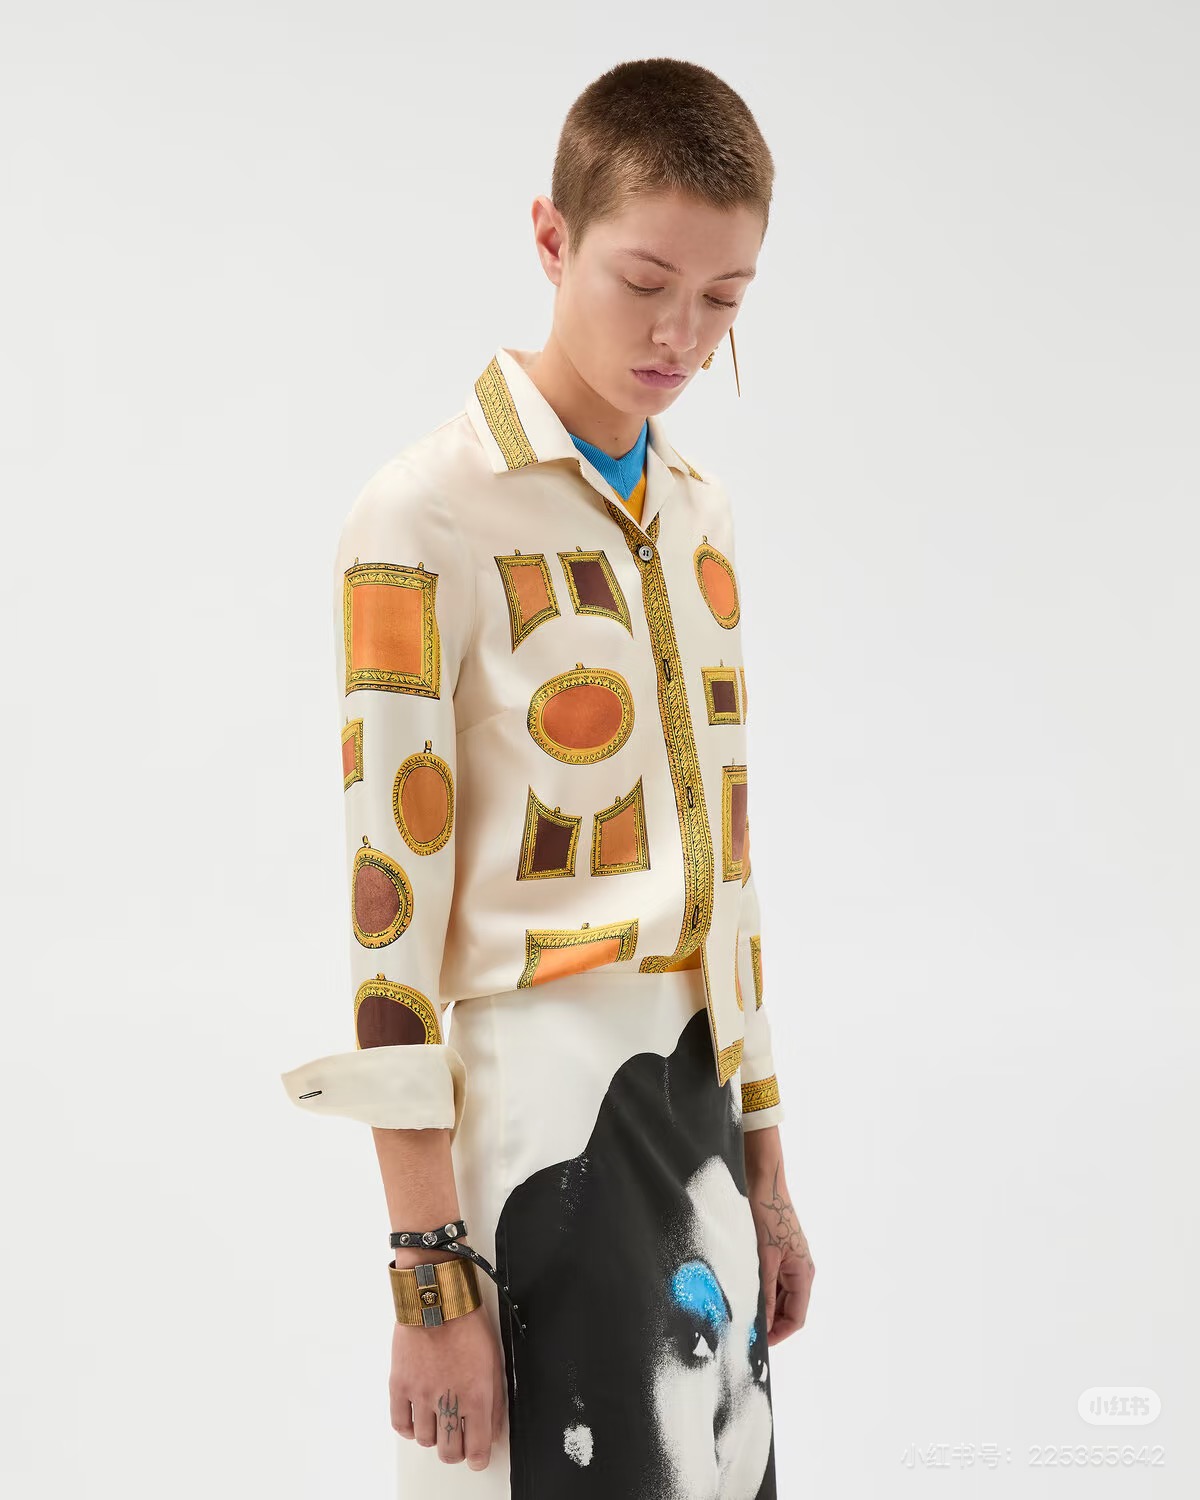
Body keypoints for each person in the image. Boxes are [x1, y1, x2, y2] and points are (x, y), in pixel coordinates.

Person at [280, 56, 815, 1498]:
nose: (681, 335)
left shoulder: (699, 516)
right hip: (533, 1112)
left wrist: (767, 1166)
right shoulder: (423, 514)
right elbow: (389, 918)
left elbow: (730, 877)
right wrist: (425, 1267)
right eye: (647, 281)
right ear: (550, 236)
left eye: (725, 299)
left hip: (699, 1110)